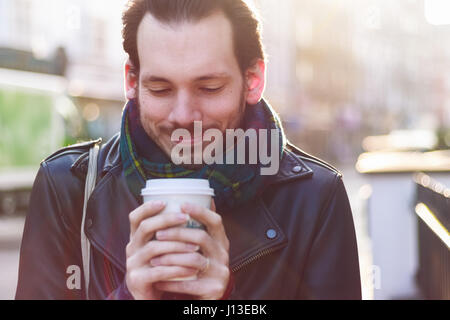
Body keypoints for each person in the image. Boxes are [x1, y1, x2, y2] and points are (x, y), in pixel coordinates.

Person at [16, 0, 361, 300]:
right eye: (161, 89)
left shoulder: (316, 198)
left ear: (253, 79)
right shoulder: (69, 188)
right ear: (132, 82)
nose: (183, 116)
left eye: (209, 88)